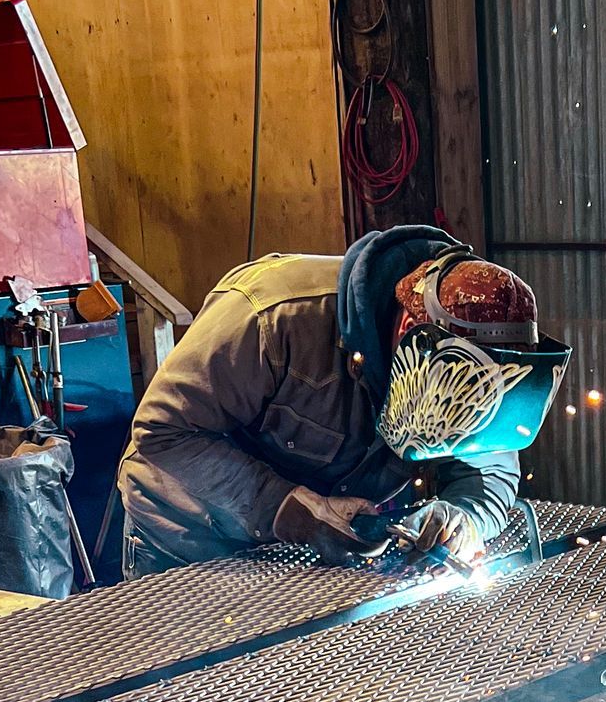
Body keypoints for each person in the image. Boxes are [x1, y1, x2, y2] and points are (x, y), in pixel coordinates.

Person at [117, 228, 570, 571]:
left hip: (313, 554)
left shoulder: (484, 376)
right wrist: (285, 506)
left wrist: (463, 516)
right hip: (193, 541)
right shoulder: (275, 318)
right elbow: (164, 432)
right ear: (408, 334)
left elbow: (488, 467)